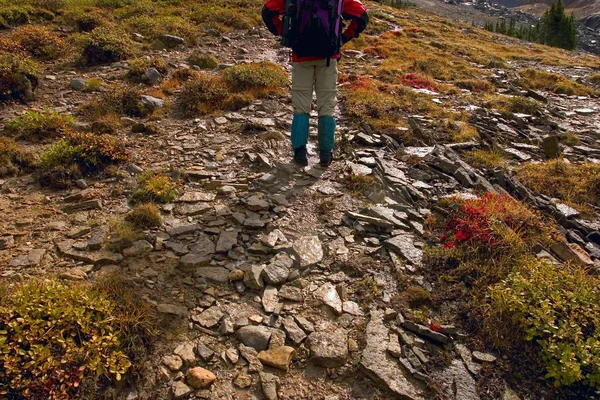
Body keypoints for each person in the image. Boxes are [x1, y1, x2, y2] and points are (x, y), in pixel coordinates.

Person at [262, 0, 369, 167]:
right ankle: (325, 154)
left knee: (301, 106)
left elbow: (267, 11)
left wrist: (285, 34)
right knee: (326, 106)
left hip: (301, 56)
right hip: (328, 57)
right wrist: (343, 38)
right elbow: (362, 16)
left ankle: (300, 153)